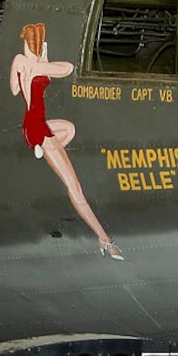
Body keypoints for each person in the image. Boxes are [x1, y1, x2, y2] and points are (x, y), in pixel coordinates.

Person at [9, 22, 121, 259]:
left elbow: (17, 88)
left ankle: (44, 149)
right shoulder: (30, 63)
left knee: (69, 129)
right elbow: (64, 69)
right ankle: (104, 239)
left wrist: (41, 62)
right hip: (37, 128)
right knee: (75, 187)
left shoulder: (30, 62)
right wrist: (39, 64)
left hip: (38, 126)